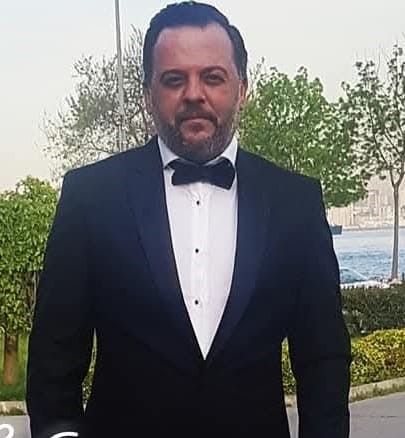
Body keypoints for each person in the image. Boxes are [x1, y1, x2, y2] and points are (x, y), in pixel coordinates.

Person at [26, 2, 351, 437]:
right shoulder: (90, 197)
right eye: (174, 79)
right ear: (148, 95)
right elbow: (53, 365)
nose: (194, 94)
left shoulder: (296, 202)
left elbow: (323, 361)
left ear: (242, 90)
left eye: (212, 77)